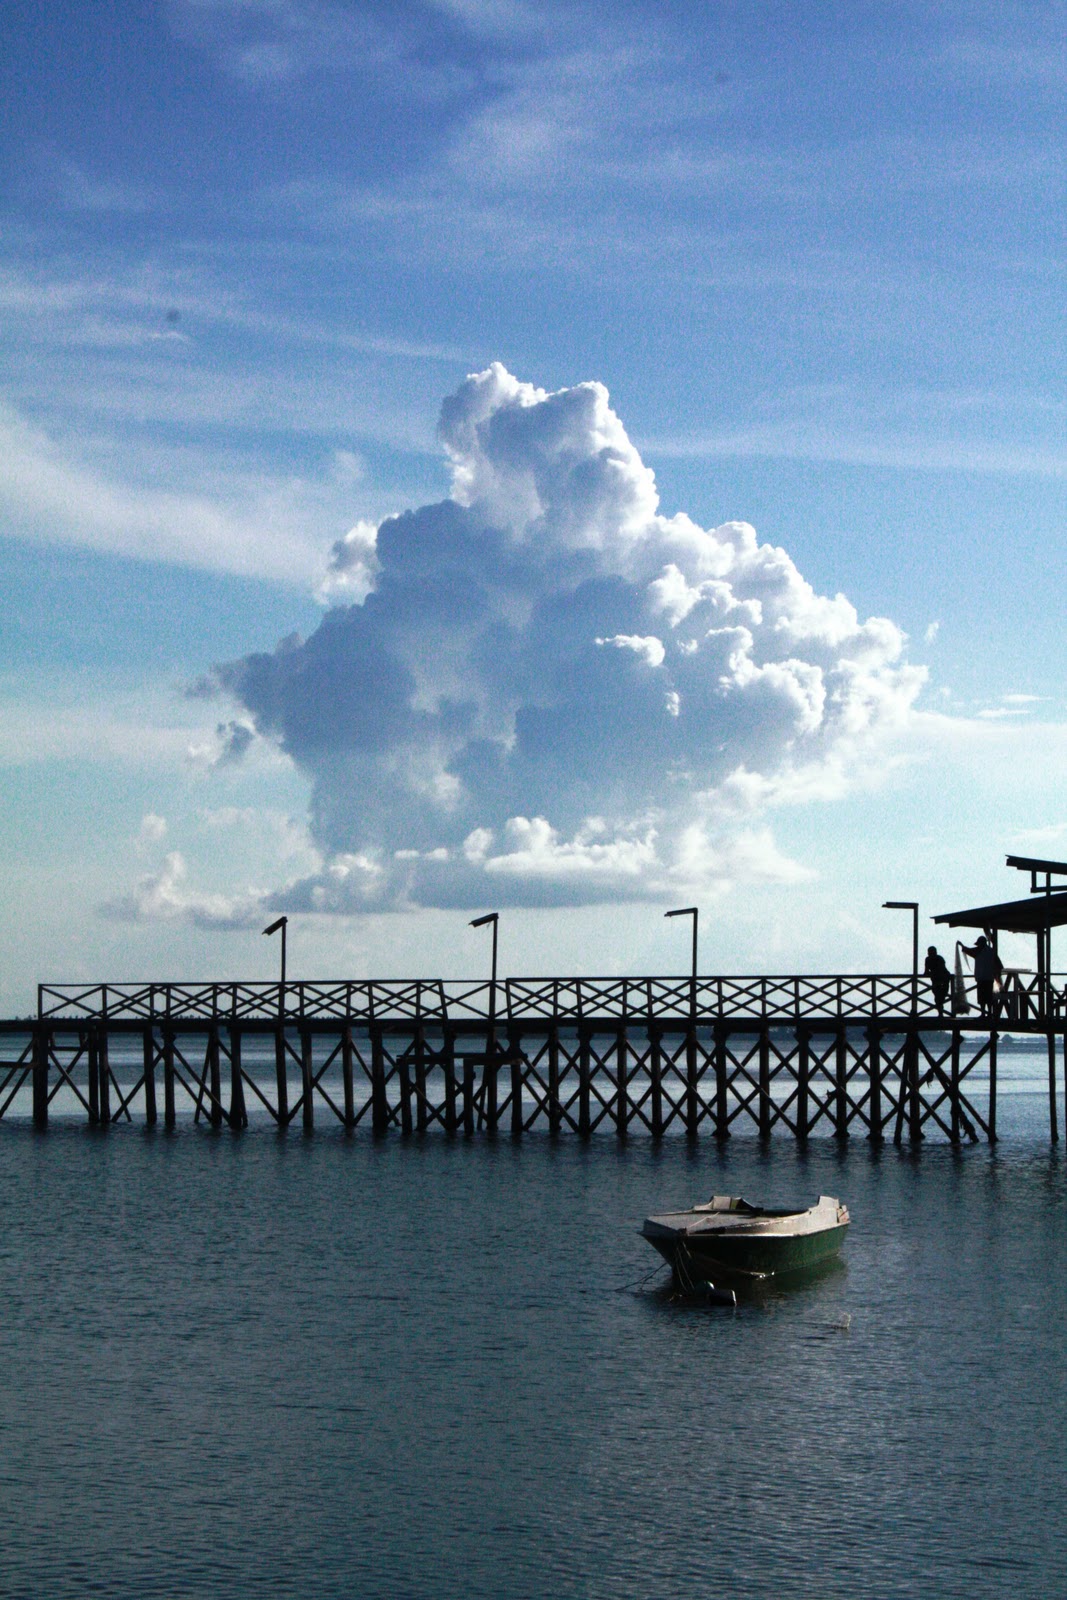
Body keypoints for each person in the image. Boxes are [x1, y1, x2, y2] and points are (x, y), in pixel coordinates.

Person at [960, 933, 1003, 1019]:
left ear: (981, 944)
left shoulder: (978, 951)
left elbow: (969, 951)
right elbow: (999, 965)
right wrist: (997, 975)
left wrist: (962, 946)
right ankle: (989, 1013)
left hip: (981, 978)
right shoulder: (991, 951)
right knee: (989, 997)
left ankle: (983, 1013)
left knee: (982, 998)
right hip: (990, 978)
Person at [923, 945, 951, 1017]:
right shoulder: (939, 958)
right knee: (940, 997)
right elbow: (943, 969)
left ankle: (940, 1013)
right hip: (943, 979)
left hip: (940, 980)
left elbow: (926, 972)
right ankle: (941, 1013)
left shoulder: (929, 959)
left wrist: (931, 973)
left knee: (938, 997)